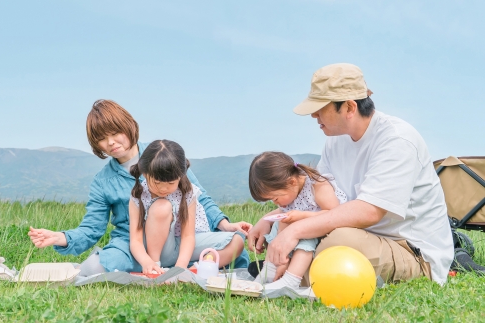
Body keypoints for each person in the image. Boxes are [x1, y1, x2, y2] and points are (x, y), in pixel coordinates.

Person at [248, 63, 454, 285]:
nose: (314, 115)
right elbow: (315, 197)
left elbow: (368, 212)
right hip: (360, 235)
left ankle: (288, 271)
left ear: (348, 108)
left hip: (409, 250)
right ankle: (289, 270)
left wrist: (295, 230)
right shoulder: (335, 142)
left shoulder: (397, 140)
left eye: (320, 108)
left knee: (333, 241)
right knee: (317, 235)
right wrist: (269, 220)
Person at [28, 99, 251, 275]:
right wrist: (60, 237)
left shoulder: (166, 155)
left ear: (129, 126)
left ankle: (184, 266)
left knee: (236, 240)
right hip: (132, 243)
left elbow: (199, 199)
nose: (111, 142)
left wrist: (225, 224)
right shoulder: (103, 181)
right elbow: (92, 228)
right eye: (102, 138)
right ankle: (168, 266)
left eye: (115, 133)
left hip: (180, 237)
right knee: (95, 268)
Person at [129, 140, 245, 274]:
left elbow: (188, 236)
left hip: (188, 246)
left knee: (237, 241)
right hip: (160, 248)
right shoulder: (138, 194)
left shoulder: (189, 192)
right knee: (161, 206)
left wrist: (181, 266)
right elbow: (136, 240)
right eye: (157, 182)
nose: (163, 188)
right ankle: (155, 268)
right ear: (145, 174)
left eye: (171, 183)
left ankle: (192, 268)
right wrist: (146, 261)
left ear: (181, 175)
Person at [248, 151, 346, 289]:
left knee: (306, 237)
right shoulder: (291, 193)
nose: (276, 204)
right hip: (305, 226)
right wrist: (283, 259)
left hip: (328, 228)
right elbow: (283, 223)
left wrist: (302, 217)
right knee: (279, 225)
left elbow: (334, 213)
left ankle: (291, 280)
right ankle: (270, 269)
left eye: (275, 198)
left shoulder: (317, 185)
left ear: (292, 182)